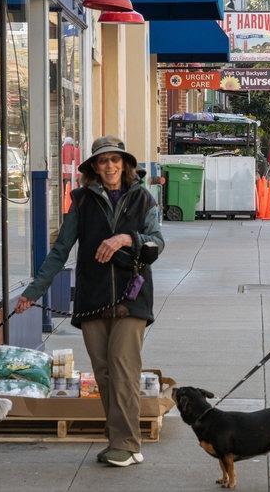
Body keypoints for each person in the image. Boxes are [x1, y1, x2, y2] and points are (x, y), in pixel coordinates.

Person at [16, 135, 164, 468]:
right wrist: (33, 292)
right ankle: (122, 441)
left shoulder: (143, 199)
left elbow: (157, 244)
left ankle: (126, 443)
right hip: (92, 298)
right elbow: (60, 251)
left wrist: (127, 238)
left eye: (115, 160)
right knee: (104, 373)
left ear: (125, 164)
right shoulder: (81, 200)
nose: (109, 166)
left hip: (132, 298)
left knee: (123, 367)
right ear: (94, 167)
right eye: (102, 161)